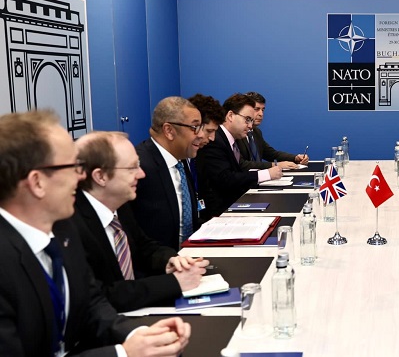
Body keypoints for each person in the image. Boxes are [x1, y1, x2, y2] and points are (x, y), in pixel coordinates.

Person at [0, 110, 190, 356]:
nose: (81, 176)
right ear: (37, 182)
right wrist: (124, 353)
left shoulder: (62, 228)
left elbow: (91, 303)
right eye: (72, 166)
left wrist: (135, 335)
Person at [71, 131, 209, 311]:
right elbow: (101, 295)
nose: (142, 174)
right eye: (132, 168)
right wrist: (174, 283)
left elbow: (143, 246)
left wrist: (169, 260)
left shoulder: (120, 204)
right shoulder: (72, 224)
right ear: (101, 176)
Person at [131, 97, 203, 250]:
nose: (201, 135)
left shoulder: (181, 159)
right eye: (194, 127)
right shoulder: (139, 167)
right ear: (169, 131)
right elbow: (134, 235)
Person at [196, 93, 282, 219]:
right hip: (218, 215)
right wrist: (265, 174)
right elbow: (225, 178)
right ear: (230, 115)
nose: (250, 126)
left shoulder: (231, 139)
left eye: (251, 121)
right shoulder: (215, 140)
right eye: (247, 119)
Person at [236, 91, 309, 170]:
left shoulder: (256, 132)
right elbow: (242, 164)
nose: (261, 114)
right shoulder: (236, 133)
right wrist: (275, 165)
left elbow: (271, 154)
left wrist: (295, 158)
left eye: (263, 110)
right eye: (256, 109)